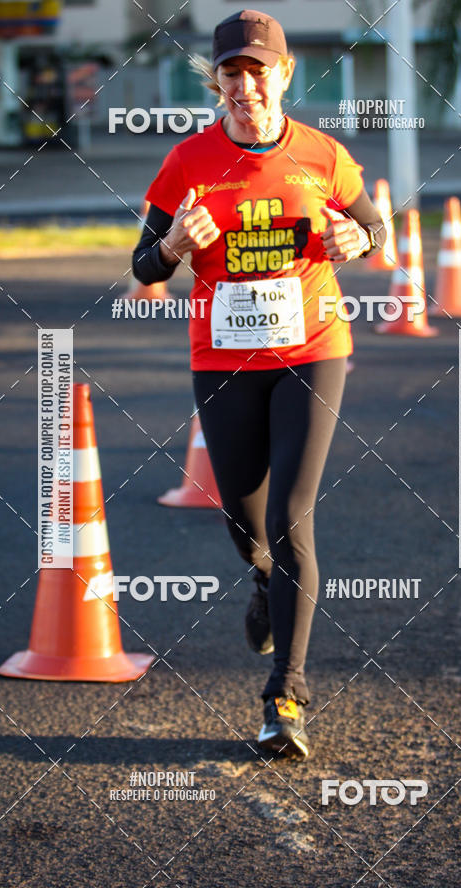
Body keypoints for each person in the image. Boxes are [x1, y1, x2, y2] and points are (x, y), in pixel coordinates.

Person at [133, 8, 385, 759]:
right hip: (223, 360)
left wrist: (360, 237)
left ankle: (286, 696)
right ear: (217, 82)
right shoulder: (187, 162)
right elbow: (144, 265)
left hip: (312, 352)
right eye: (232, 73)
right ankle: (261, 580)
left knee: (291, 516)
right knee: (245, 523)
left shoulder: (323, 155)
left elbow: (375, 224)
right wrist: (173, 244)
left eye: (259, 70)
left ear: (284, 75)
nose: (247, 85)